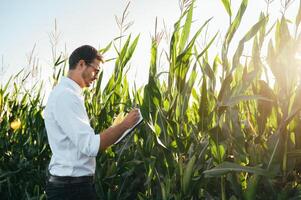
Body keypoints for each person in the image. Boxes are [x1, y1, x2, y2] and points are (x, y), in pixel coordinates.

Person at [44, 45, 140, 200]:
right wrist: (124, 125)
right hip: (71, 190)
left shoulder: (67, 94)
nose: (96, 76)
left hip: (71, 187)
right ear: (81, 64)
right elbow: (90, 146)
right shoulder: (66, 96)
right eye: (96, 70)